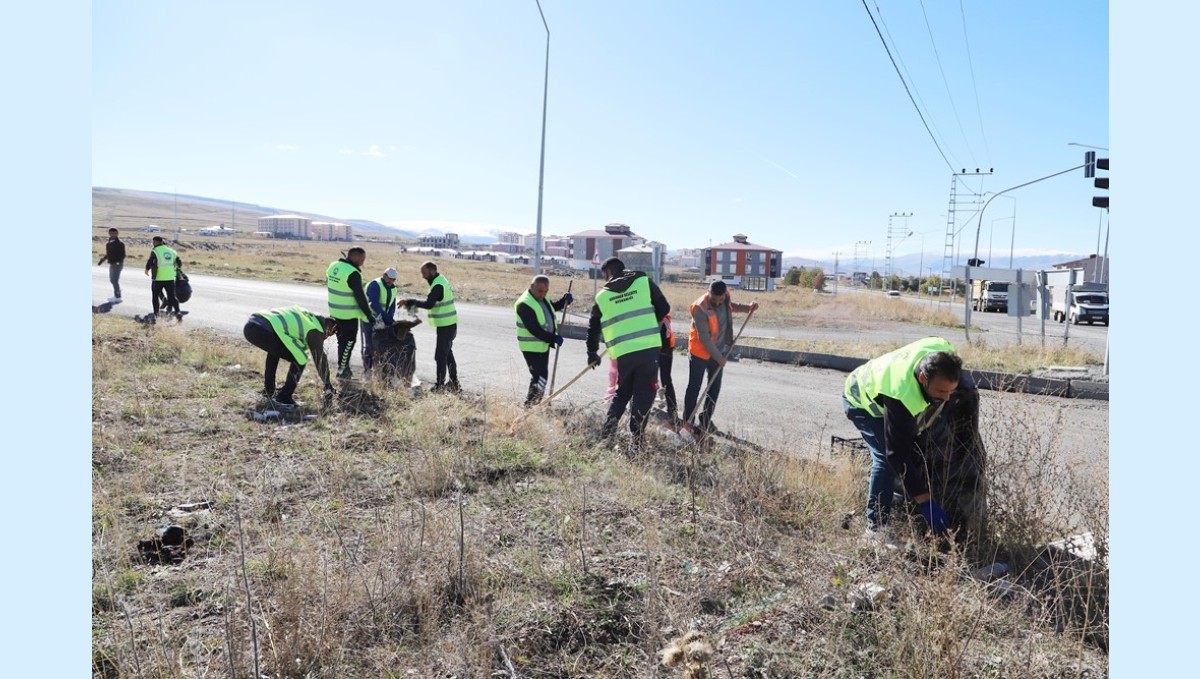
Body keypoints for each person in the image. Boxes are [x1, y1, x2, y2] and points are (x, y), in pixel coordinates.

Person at [842, 336, 972, 542]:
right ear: (923, 379)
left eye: (950, 391)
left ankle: (896, 495)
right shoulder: (901, 394)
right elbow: (896, 454)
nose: (946, 398)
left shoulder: (942, 349)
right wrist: (925, 501)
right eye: (940, 391)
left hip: (890, 385)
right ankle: (875, 530)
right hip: (862, 402)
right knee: (885, 460)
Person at [585, 257, 670, 453]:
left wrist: (591, 353)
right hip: (648, 348)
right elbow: (664, 308)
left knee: (622, 392)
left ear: (608, 272)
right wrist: (648, 322)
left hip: (623, 353)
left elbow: (593, 328)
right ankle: (636, 442)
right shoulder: (643, 281)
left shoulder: (602, 296)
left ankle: (606, 435)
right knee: (645, 393)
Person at [680, 281, 758, 438]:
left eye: (720, 299)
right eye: (714, 299)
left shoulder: (725, 297)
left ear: (724, 295)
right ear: (709, 292)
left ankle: (705, 420)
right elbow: (704, 339)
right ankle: (687, 422)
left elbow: (731, 306)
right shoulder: (699, 308)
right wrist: (719, 358)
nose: (717, 302)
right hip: (700, 353)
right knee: (694, 388)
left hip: (719, 351)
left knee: (714, 388)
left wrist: (748, 308)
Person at [243, 305, 337, 409]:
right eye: (329, 334)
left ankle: (269, 390)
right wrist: (327, 384)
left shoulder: (307, 315)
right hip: (262, 329)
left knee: (275, 350)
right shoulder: (314, 328)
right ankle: (284, 397)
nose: (326, 337)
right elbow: (320, 357)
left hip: (253, 323)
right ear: (328, 328)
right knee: (301, 357)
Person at [514, 275, 574, 407]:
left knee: (541, 377)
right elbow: (534, 329)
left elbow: (551, 308)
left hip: (542, 346)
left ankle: (534, 406)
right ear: (531, 287)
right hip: (531, 347)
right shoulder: (524, 304)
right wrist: (553, 338)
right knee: (539, 377)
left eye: (545, 291)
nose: (543, 294)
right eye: (540, 291)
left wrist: (564, 301)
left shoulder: (542, 298)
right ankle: (530, 406)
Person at [402, 261, 459, 392]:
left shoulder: (438, 285)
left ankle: (440, 386)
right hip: (448, 324)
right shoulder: (440, 280)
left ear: (432, 271)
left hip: (446, 326)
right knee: (447, 354)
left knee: (440, 356)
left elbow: (429, 304)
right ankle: (454, 383)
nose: (423, 277)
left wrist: (412, 302)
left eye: (425, 274)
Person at [326, 247, 374, 380]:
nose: (363, 262)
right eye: (362, 259)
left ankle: (344, 370)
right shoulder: (353, 273)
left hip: (335, 312)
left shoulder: (333, 266)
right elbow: (360, 297)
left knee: (341, 342)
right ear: (356, 257)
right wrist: (369, 315)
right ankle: (342, 372)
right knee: (347, 344)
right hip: (348, 315)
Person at [361, 267, 399, 374]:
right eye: (390, 278)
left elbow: (392, 305)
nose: (391, 282)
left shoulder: (393, 288)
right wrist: (386, 318)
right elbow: (373, 304)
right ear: (384, 275)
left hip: (382, 320)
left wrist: (390, 319)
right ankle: (367, 371)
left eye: (394, 280)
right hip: (369, 320)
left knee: (380, 346)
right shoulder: (375, 285)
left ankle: (378, 371)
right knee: (369, 346)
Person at [144, 236, 182, 321]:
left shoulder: (155, 251)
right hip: (170, 278)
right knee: (172, 297)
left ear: (156, 242)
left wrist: (146, 270)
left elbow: (150, 261)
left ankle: (156, 315)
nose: (153, 244)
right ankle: (178, 312)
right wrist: (175, 269)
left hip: (158, 278)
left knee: (155, 296)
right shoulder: (172, 251)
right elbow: (179, 263)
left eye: (153, 242)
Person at [657, 313, 679, 424]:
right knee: (650, 377)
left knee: (665, 379)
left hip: (664, 351)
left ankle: (672, 409)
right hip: (662, 350)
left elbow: (662, 340)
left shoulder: (663, 320)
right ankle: (671, 408)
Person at [97, 228, 125, 303]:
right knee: (112, 280)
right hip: (112, 264)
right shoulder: (108, 243)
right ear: (109, 234)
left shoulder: (120, 243)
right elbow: (108, 254)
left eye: (115, 233)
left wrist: (118, 262)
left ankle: (118, 297)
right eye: (111, 233)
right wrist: (102, 260)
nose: (113, 234)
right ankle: (117, 292)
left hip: (118, 264)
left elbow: (122, 255)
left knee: (114, 280)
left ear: (117, 234)